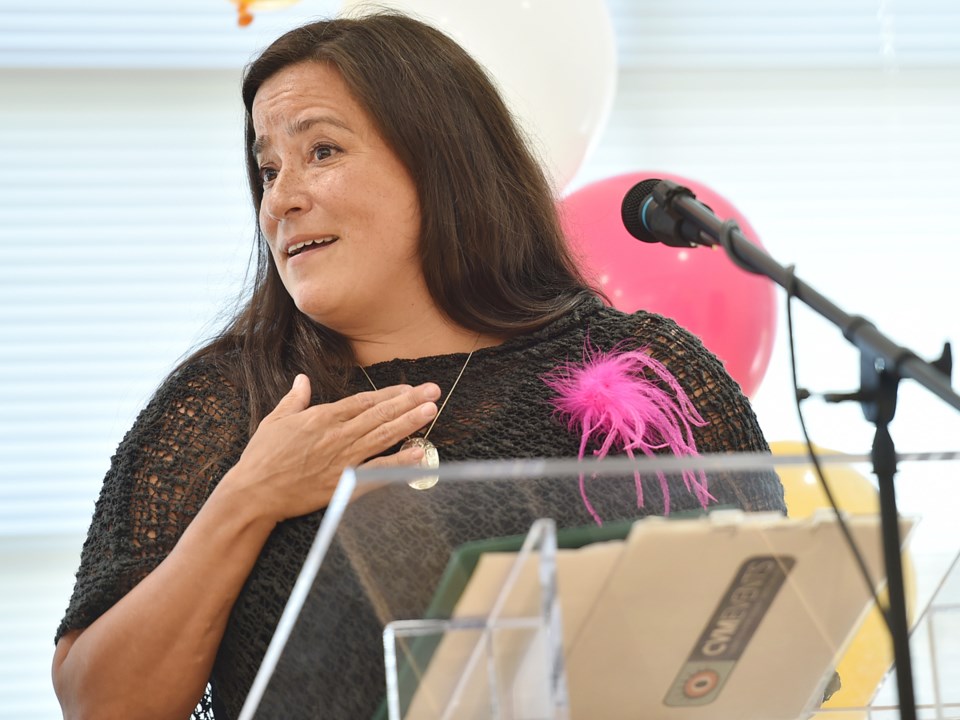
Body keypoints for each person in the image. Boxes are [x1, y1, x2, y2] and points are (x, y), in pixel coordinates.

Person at [52, 11, 785, 720]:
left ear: (444, 161)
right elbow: (101, 704)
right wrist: (251, 496)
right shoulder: (225, 398)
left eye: (322, 152)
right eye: (267, 169)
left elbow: (775, 638)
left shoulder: (651, 367)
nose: (282, 199)